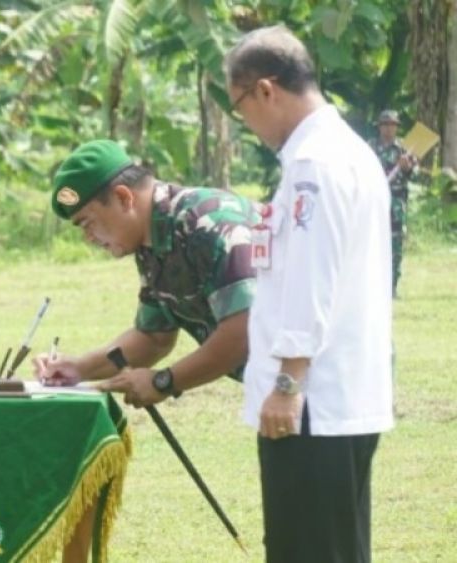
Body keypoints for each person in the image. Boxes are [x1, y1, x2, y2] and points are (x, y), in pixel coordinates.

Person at [225, 25, 394, 562]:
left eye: (240, 106)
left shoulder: (313, 165)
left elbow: (311, 279)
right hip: (335, 397)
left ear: (266, 90)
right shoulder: (345, 151)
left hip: (312, 404)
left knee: (309, 552)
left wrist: (287, 382)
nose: (246, 123)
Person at [32, 140, 258, 407]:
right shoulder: (151, 241)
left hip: (309, 378)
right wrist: (79, 368)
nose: (88, 238)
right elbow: (153, 338)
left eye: (88, 222)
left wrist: (165, 381)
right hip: (282, 387)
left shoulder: (207, 224)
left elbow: (245, 330)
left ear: (123, 197)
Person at [368, 109, 417, 297]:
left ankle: (392, 287)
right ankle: (372, 286)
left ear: (397, 128)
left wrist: (407, 167)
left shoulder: (404, 150)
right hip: (374, 201)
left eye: (392, 125)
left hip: (396, 202)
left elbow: (417, 175)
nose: (388, 129)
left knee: (395, 244)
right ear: (379, 127)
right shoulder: (370, 148)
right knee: (372, 242)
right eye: (385, 125)